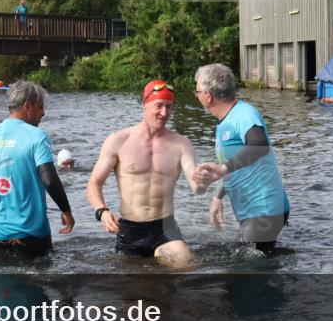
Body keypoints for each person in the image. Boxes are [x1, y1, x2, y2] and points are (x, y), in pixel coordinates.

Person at [86, 80, 202, 267]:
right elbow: (94, 184)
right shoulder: (119, 140)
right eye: (159, 106)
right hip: (130, 229)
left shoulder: (181, 144)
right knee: (134, 288)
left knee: (185, 264)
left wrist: (212, 175)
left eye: (169, 107)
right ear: (145, 106)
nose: (164, 113)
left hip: (165, 228)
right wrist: (102, 211)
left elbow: (196, 184)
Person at [0, 80, 74, 259]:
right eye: (41, 106)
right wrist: (66, 211)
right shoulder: (36, 136)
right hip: (31, 235)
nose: (43, 113)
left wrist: (2, 196)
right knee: (36, 283)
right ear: (27, 106)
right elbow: (49, 180)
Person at [192, 64, 290, 252]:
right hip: (256, 211)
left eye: (197, 91)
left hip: (264, 210)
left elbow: (259, 145)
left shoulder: (244, 114)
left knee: (246, 271)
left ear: (208, 95)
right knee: (247, 256)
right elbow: (237, 167)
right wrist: (218, 196)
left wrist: (222, 169)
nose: (197, 96)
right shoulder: (226, 122)